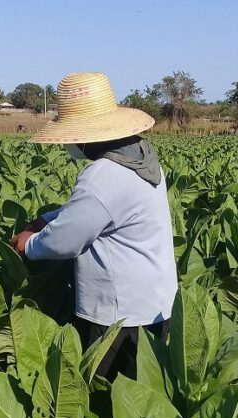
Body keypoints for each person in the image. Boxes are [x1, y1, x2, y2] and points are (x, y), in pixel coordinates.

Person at [10, 72, 177, 381]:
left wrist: (28, 244)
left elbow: (64, 241)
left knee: (104, 398)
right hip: (157, 305)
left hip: (118, 316)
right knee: (145, 400)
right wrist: (46, 219)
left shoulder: (103, 173)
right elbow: (102, 211)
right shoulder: (141, 157)